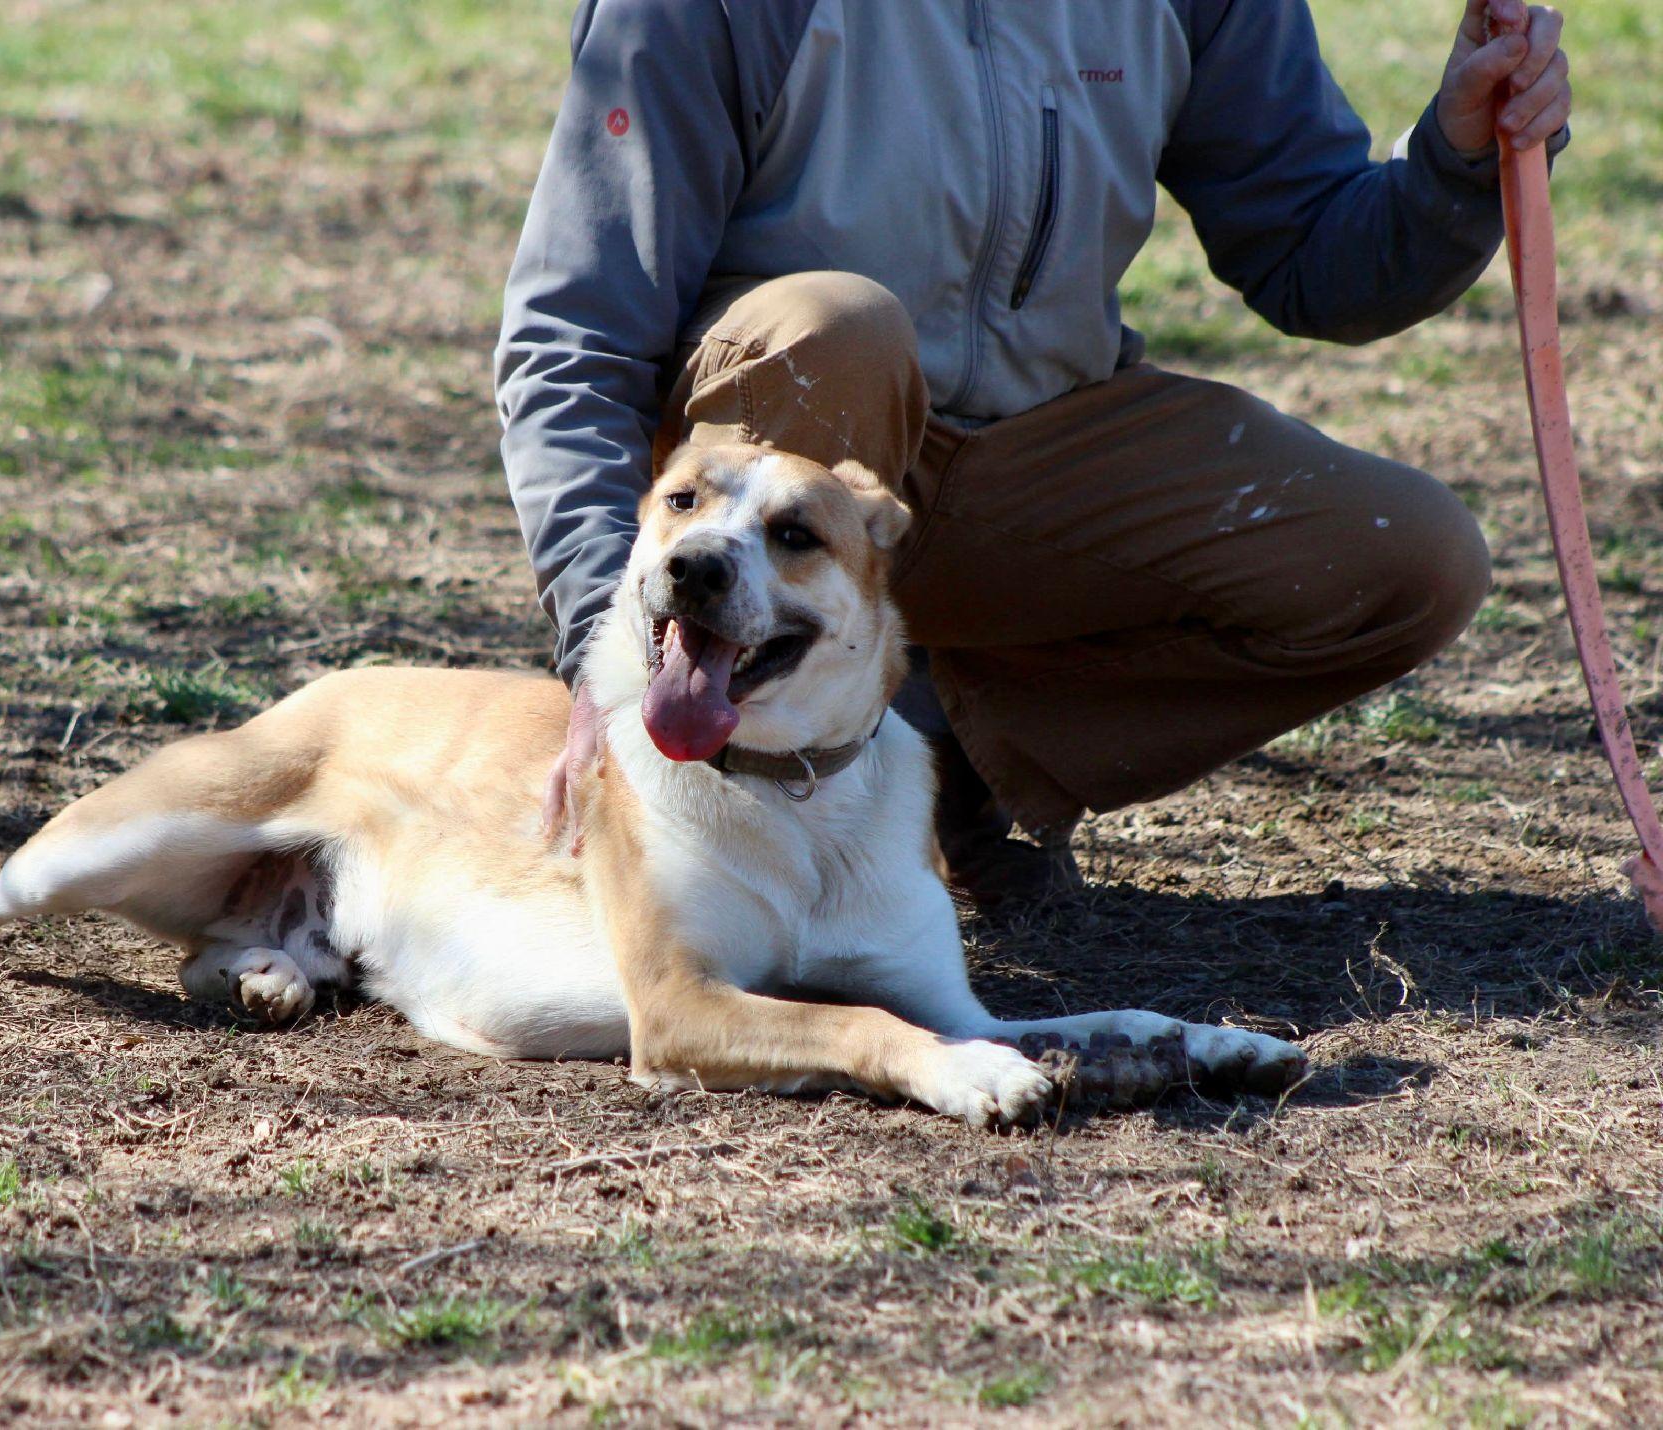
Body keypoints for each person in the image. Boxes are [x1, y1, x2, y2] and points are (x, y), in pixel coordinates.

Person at [495, 0, 1572, 905]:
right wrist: (605, 646)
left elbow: (1316, 254)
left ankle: (939, 764)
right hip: (782, 461)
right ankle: (726, 840)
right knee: (837, 327)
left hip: (1035, 454)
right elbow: (569, 339)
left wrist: (1455, 156)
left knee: (1406, 558)